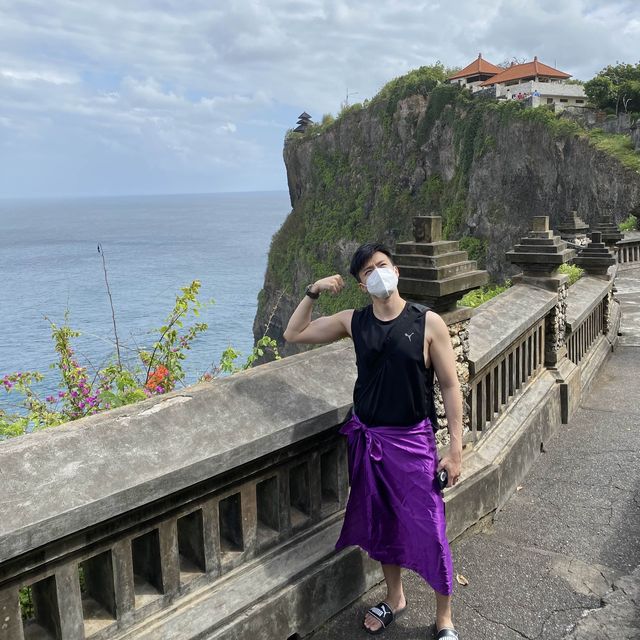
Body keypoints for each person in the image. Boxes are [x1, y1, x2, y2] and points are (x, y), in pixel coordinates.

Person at [283, 242, 463, 638]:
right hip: (368, 439)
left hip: (413, 442)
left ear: (395, 271)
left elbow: (450, 386)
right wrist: (312, 292)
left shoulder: (427, 322)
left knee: (430, 525)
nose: (376, 273)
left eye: (381, 265)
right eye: (367, 271)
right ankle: (395, 599)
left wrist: (454, 448)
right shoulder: (354, 321)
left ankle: (444, 616)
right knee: (384, 525)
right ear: (363, 285)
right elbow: (293, 333)